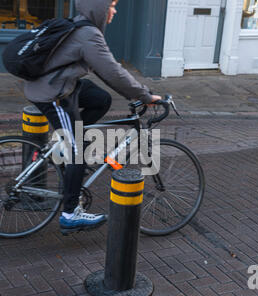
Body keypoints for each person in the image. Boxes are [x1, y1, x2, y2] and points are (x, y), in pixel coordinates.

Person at [24, 0, 161, 234]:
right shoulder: (88, 34)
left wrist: (136, 91)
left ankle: (66, 145)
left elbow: (105, 70)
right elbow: (113, 72)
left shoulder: (83, 27)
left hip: (61, 84)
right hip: (53, 93)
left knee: (100, 99)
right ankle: (70, 214)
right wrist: (145, 95)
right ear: (98, 7)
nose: (115, 11)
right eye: (112, 5)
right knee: (78, 149)